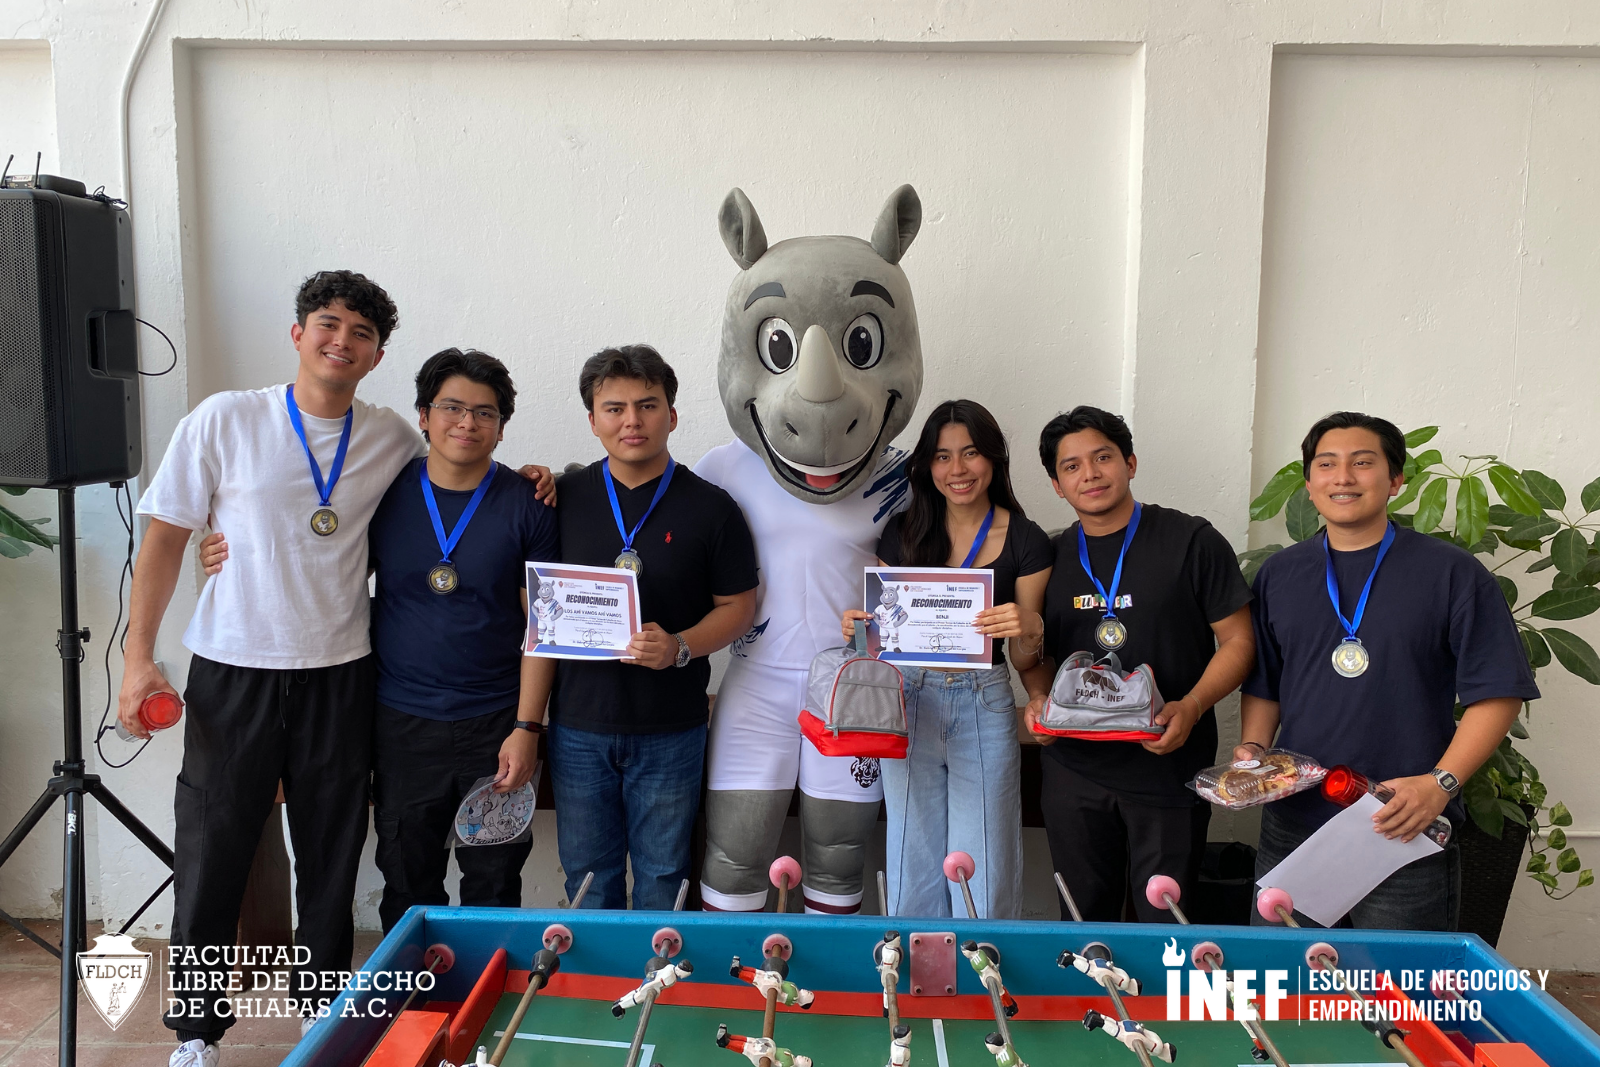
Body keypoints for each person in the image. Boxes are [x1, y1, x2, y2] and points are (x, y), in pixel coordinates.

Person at [128, 272, 552, 1067]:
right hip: (235, 667)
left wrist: (538, 475)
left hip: (342, 673)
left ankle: (322, 1015)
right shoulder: (226, 418)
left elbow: (463, 467)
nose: (342, 342)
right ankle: (194, 1032)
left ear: (377, 352)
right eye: (328, 324)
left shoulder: (392, 437)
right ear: (298, 333)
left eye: (360, 333)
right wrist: (137, 657)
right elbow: (166, 537)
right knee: (215, 847)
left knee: (329, 854)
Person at [1239, 412, 1537, 930]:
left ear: (1396, 479)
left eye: (1362, 463)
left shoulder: (1451, 573)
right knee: (1286, 993)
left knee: (1404, 999)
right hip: (1296, 821)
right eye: (1326, 465)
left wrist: (1440, 785)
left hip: (1402, 818)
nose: (1343, 477)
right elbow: (1265, 682)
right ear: (1309, 484)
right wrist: (1255, 752)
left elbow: (1498, 694)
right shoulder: (1281, 574)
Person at [524, 345, 757, 910]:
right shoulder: (556, 499)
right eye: (615, 408)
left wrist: (680, 647)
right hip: (579, 726)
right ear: (593, 420)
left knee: (662, 875)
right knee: (586, 877)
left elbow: (739, 606)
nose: (632, 421)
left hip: (671, 729)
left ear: (672, 416)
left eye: (648, 405)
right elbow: (535, 615)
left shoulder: (712, 507)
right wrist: (529, 723)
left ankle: (659, 990)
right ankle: (591, 993)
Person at [1019, 405, 1255, 923]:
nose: (1091, 474)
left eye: (1103, 457)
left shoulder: (1191, 541)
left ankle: (1163, 1010)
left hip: (1167, 766)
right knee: (1084, 924)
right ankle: (1093, 1006)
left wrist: (1192, 706)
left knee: (1168, 924)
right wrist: (1036, 696)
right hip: (1074, 769)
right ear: (1057, 485)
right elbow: (1035, 649)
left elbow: (1239, 641)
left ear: (1130, 462)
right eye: (1072, 466)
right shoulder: (1049, 557)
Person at [363, 348, 557, 931]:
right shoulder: (381, 493)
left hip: (494, 722)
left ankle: (485, 1013)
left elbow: (541, 629)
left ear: (501, 427)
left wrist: (527, 729)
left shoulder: (529, 504)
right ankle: (412, 1008)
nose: (467, 423)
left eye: (485, 413)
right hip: (401, 722)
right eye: (451, 407)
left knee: (494, 883)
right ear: (423, 415)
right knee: (406, 880)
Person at [839, 400, 1052, 918]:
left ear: (994, 459)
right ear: (926, 466)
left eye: (971, 453)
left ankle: (984, 981)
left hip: (984, 699)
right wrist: (859, 632)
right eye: (942, 456)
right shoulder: (903, 531)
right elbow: (886, 643)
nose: (957, 470)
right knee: (912, 848)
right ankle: (915, 988)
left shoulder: (1027, 540)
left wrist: (1031, 627)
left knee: (987, 855)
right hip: (909, 700)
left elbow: (1026, 659)